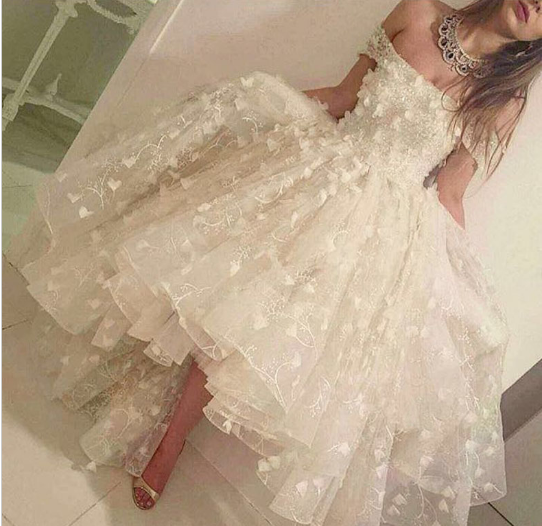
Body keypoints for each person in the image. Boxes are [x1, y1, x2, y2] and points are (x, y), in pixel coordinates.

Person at [6, 0, 541, 525]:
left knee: (259, 331)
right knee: (222, 296)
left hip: (376, 228)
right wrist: (244, 108)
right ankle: (165, 433)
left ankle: (169, 444)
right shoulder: (416, 11)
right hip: (319, 174)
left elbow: (450, 192)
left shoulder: (504, 99)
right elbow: (344, 97)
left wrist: (460, 287)